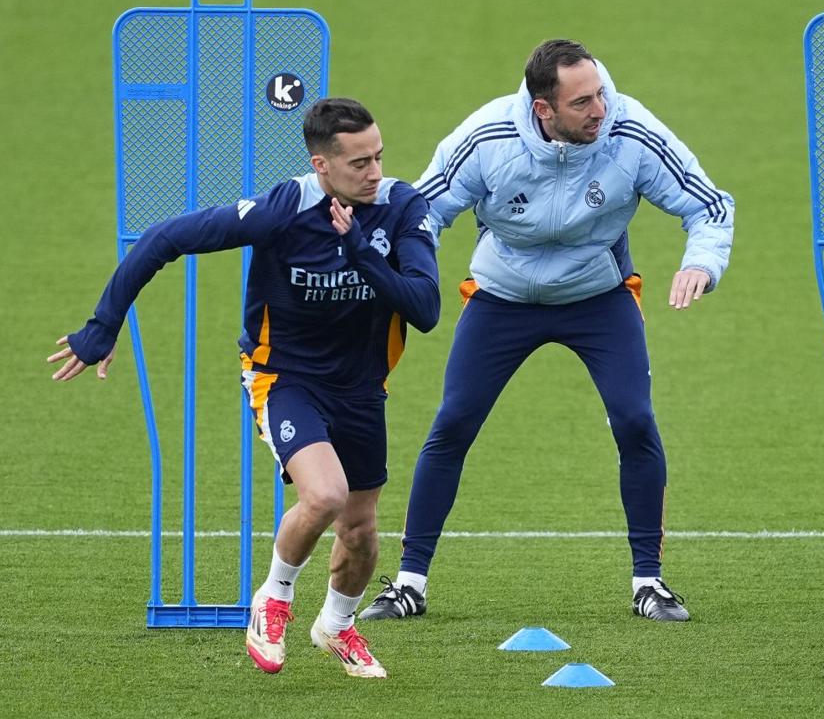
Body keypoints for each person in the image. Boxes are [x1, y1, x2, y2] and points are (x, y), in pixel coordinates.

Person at [48, 98, 440, 678]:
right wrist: (104, 326)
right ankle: (273, 599)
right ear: (321, 165)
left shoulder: (402, 208)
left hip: (361, 388)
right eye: (359, 163)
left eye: (379, 156)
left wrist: (359, 250)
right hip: (285, 379)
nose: (375, 172)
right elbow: (163, 238)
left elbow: (426, 308)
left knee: (360, 534)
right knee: (326, 495)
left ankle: (336, 626)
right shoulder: (282, 211)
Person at [359, 39, 734, 624]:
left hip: (597, 295)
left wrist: (700, 264)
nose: (599, 110)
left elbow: (709, 206)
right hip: (502, 296)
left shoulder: (630, 131)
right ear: (543, 109)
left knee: (635, 420)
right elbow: (422, 210)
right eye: (582, 102)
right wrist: (414, 267)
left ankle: (649, 583)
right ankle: (409, 583)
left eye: (600, 95)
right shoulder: (486, 138)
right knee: (453, 422)